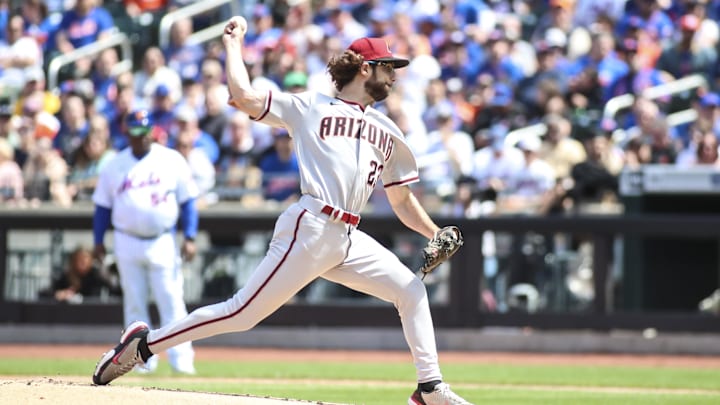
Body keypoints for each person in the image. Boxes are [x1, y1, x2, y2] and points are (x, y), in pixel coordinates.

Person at [92, 18, 472, 405]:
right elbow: (242, 94)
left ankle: (429, 388)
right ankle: (143, 346)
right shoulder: (310, 105)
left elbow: (402, 200)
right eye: (388, 66)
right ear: (365, 67)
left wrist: (433, 231)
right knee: (239, 314)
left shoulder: (388, 129)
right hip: (311, 226)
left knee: (410, 291)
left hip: (347, 237)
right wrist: (234, 44)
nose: (394, 76)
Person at [91, 109, 198, 375]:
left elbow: (188, 202)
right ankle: (140, 363)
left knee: (171, 301)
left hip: (163, 239)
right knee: (135, 304)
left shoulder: (171, 159)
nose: (141, 138)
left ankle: (182, 362)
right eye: (136, 133)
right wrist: (98, 240)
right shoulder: (115, 165)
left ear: (152, 131)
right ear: (127, 133)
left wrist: (190, 236)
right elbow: (102, 207)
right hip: (126, 239)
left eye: (145, 132)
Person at [39, 245, 120, 303]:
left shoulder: (97, 275)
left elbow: (115, 291)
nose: (83, 262)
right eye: (79, 259)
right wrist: (60, 294)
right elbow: (43, 293)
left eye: (86, 258)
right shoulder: (67, 276)